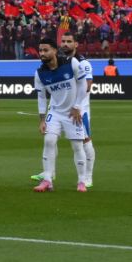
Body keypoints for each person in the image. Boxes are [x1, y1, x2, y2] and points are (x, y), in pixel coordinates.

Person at [32, 37, 92, 193]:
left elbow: (83, 85)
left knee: (77, 146)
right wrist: (42, 120)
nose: (42, 53)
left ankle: (81, 181)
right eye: (40, 50)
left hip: (73, 113)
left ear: (54, 50)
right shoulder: (40, 73)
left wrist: (77, 106)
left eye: (45, 50)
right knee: (49, 141)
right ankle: (47, 180)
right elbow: (41, 97)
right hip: (55, 112)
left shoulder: (71, 63)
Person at [60, 31, 97, 189]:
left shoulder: (83, 63)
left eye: (69, 41)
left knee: (84, 141)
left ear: (76, 44)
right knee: (51, 137)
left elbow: (87, 86)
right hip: (62, 109)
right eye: (63, 41)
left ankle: (88, 177)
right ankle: (48, 172)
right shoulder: (61, 62)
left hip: (80, 109)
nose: (65, 44)